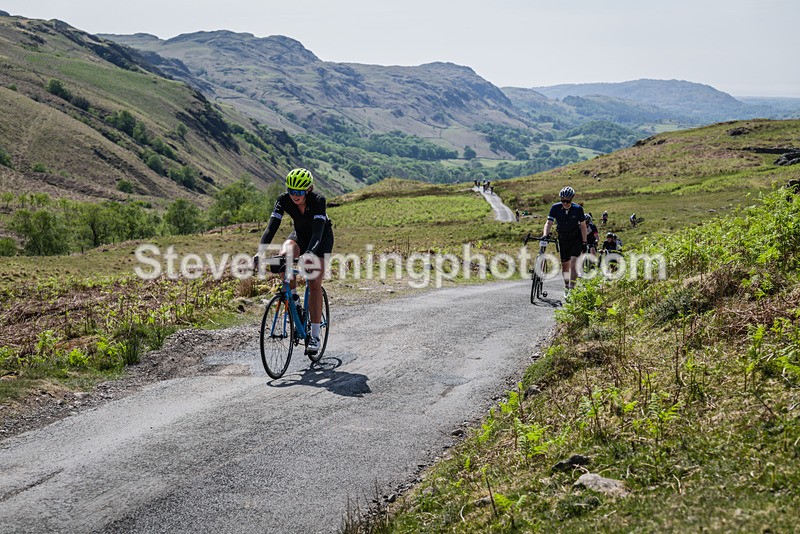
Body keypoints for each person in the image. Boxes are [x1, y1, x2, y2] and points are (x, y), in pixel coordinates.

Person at [257, 168, 334, 355]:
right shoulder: (283, 200)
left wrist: (308, 254)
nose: (294, 196)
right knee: (283, 256)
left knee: (313, 281)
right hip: (299, 236)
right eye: (291, 191)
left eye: (299, 192)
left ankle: (314, 335)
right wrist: (260, 252)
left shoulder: (318, 201)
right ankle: (295, 301)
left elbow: (317, 233)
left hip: (320, 239)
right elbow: (271, 227)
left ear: (308, 190)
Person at [542, 186, 588, 293]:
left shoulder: (578, 209)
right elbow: (549, 223)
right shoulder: (555, 208)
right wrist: (545, 235)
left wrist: (584, 242)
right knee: (565, 266)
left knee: (574, 262)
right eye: (563, 201)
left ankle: (572, 288)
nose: (565, 203)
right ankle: (567, 285)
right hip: (563, 238)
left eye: (568, 201)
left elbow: (583, 226)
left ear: (572, 200)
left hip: (575, 238)